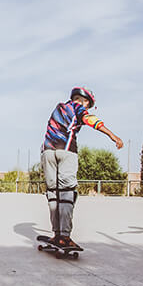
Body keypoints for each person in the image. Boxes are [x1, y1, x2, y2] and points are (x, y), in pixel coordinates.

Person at [39, 86, 124, 251]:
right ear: (84, 101)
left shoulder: (60, 107)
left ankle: (56, 233)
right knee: (67, 193)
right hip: (66, 151)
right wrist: (113, 136)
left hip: (47, 152)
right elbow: (91, 121)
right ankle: (64, 236)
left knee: (53, 194)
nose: (86, 107)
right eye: (87, 104)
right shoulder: (78, 107)